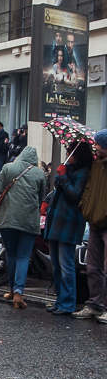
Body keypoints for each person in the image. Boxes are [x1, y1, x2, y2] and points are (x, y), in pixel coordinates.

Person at [0, 146, 45, 310]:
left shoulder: (9, 168)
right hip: (29, 221)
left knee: (11, 254)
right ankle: (18, 292)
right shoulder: (39, 173)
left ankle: (11, 289)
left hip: (8, 220)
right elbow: (41, 197)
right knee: (23, 256)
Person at [44, 141, 92, 315]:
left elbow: (74, 195)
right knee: (56, 265)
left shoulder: (83, 172)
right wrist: (59, 177)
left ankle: (68, 303)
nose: (67, 154)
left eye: (70, 151)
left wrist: (63, 177)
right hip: (56, 222)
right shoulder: (68, 170)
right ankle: (59, 300)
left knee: (66, 266)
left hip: (69, 224)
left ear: (77, 154)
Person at [74, 130, 107, 323]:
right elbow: (88, 188)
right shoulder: (95, 165)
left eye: (98, 144)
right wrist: (85, 206)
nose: (95, 147)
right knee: (93, 266)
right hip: (94, 221)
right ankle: (95, 304)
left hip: (103, 220)